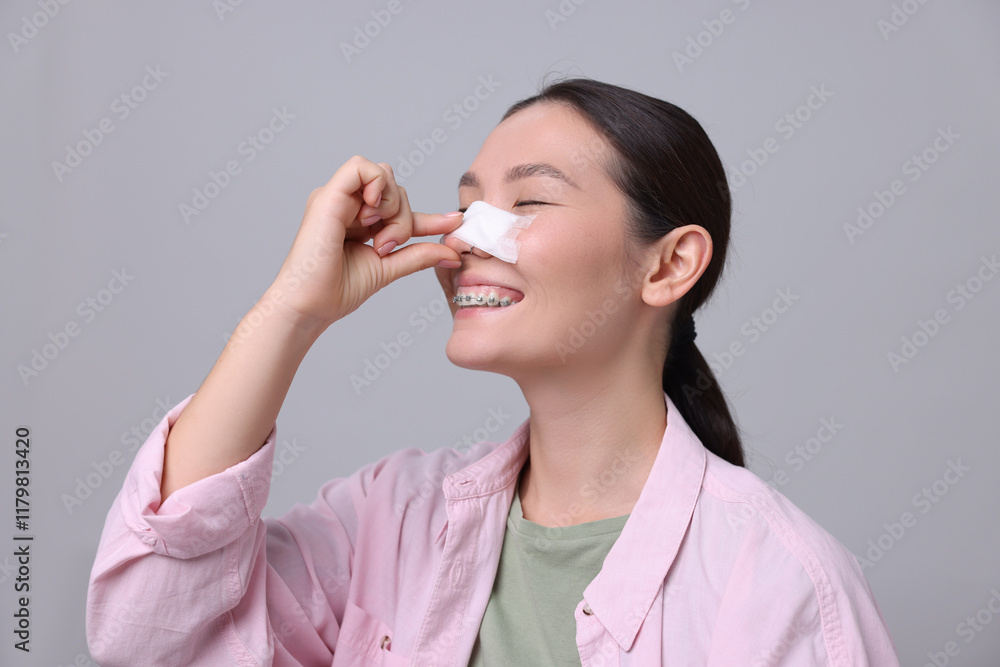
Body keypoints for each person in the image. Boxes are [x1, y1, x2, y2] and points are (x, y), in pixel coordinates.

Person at [86, 77, 901, 666]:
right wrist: (292, 310)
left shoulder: (782, 583)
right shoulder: (392, 516)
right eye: (469, 201)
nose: (471, 235)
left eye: (530, 203)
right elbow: (146, 630)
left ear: (668, 265)